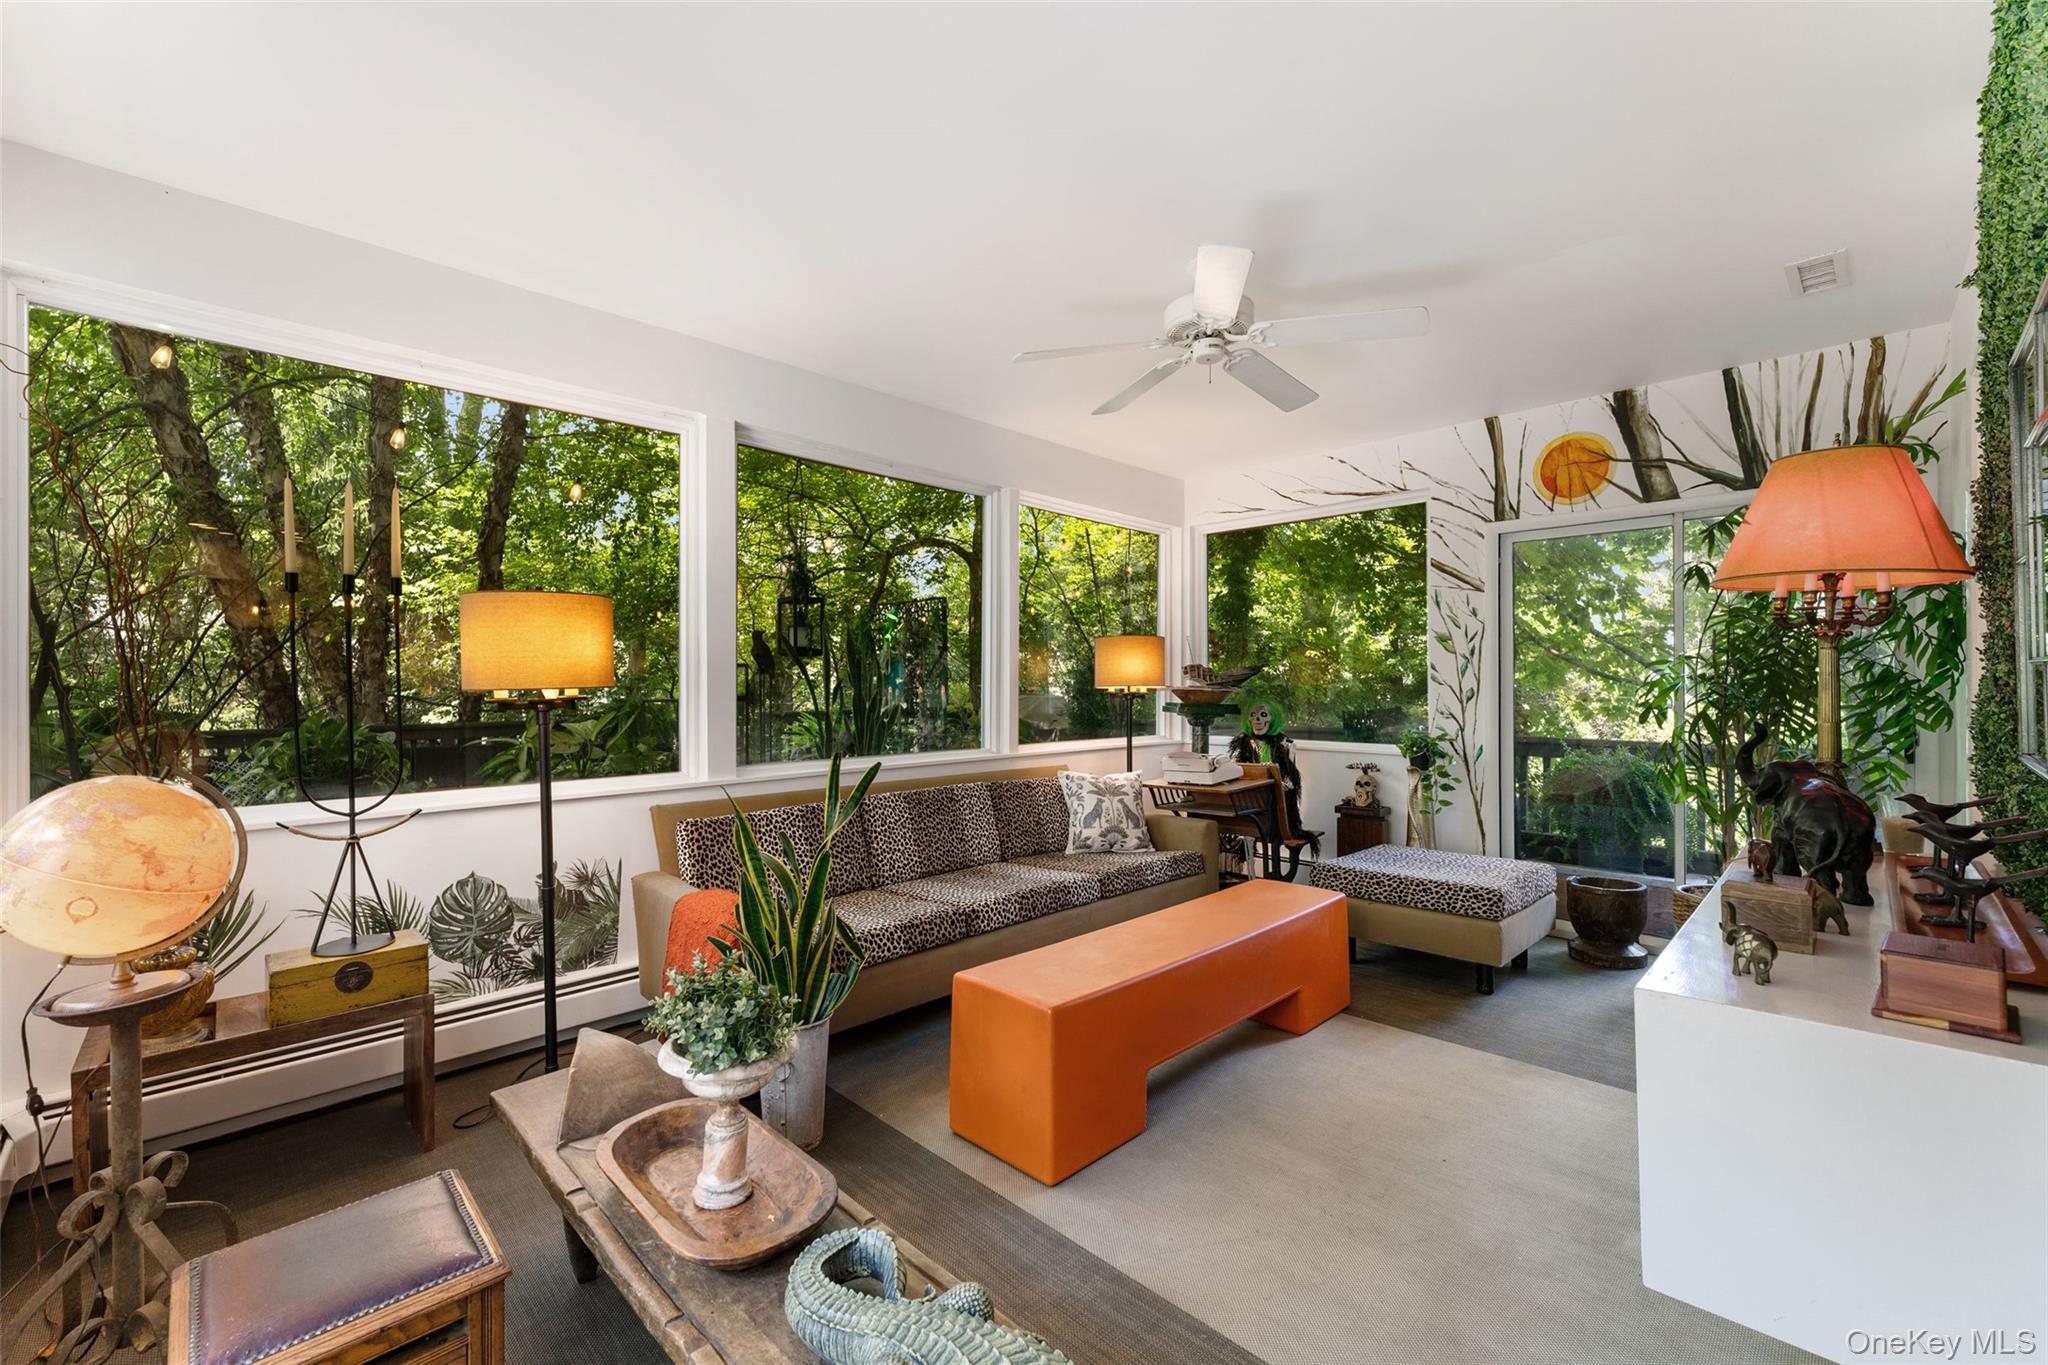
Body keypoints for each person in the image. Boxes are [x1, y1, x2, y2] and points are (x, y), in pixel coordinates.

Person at [1227, 700, 1318, 854]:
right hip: (1253, 795)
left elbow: (1291, 777)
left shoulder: (1285, 744)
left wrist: (1283, 783)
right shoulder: (1245, 743)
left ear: (1272, 718)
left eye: (1263, 715)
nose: (1258, 720)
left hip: (1274, 796)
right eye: (1253, 715)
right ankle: (1246, 833)